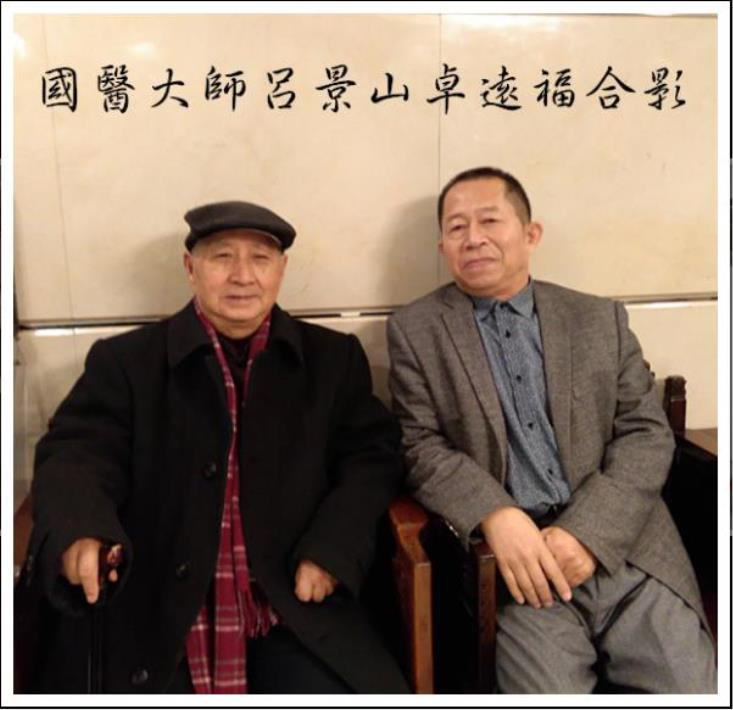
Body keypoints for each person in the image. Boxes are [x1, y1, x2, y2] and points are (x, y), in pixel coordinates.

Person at [28, 200, 408, 694]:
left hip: (292, 604)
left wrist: (334, 549)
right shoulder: (126, 362)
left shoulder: (332, 360)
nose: (242, 276)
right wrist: (81, 527)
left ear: (282, 270)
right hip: (158, 606)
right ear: (191, 268)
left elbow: (374, 458)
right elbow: (77, 452)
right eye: (222, 257)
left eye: (260, 259)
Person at [386, 166, 716, 693]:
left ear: (530, 234)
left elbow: (646, 433)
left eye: (490, 220)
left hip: (629, 551)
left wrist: (587, 532)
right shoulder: (416, 330)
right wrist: (495, 514)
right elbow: (419, 445)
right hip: (523, 570)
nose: (473, 238)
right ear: (442, 246)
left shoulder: (598, 318)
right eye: (456, 227)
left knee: (690, 687)